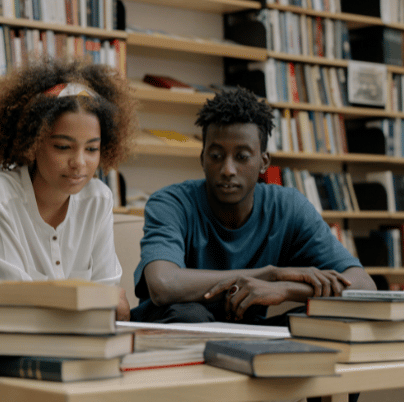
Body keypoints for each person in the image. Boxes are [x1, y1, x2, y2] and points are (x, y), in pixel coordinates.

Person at [130, 87, 376, 326]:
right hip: (173, 329)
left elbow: (363, 286)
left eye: (242, 157)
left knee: (326, 318)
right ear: (202, 158)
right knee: (190, 314)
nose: (228, 169)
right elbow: (163, 284)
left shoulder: (288, 207)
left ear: (263, 162)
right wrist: (270, 274)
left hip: (247, 335)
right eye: (216, 156)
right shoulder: (171, 203)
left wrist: (285, 289)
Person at [0, 58, 138, 321]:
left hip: (72, 343)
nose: (79, 163)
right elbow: (14, 306)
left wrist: (100, 302)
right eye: (63, 147)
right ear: (33, 142)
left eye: (92, 149)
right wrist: (91, 302)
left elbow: (114, 305)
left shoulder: (99, 198)